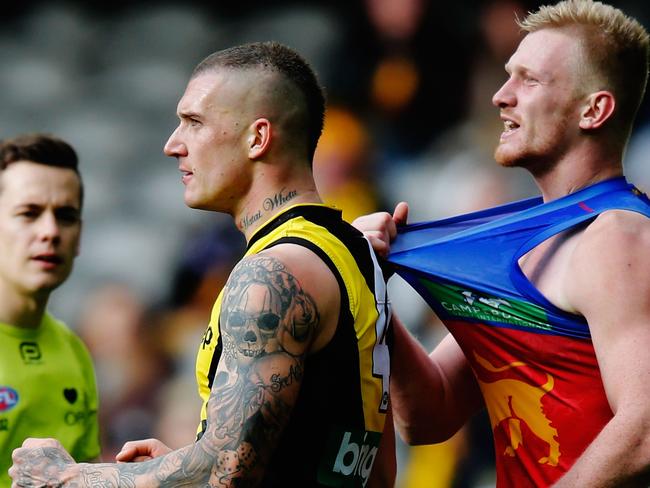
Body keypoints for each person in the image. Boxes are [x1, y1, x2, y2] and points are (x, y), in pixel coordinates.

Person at [10, 41, 395, 487]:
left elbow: (224, 471)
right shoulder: (354, 253)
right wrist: (183, 463)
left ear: (258, 137)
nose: (173, 145)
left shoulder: (272, 277)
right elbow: (373, 471)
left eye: (193, 122)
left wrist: (67, 479)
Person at [353, 0, 650, 487]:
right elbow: (428, 416)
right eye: (508, 75)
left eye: (529, 81)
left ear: (593, 110)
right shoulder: (526, 247)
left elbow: (644, 429)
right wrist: (374, 293)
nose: (500, 96)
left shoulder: (617, 238)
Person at [0, 134, 100, 486]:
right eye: (29, 213)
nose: (50, 231)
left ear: (80, 237)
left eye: (66, 216)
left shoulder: (73, 350)